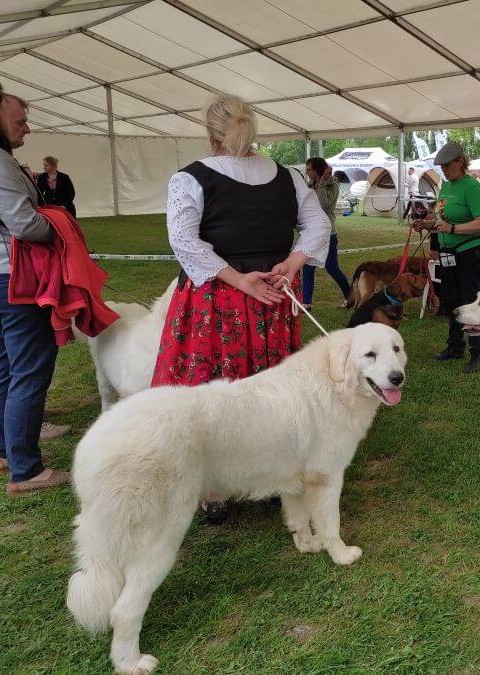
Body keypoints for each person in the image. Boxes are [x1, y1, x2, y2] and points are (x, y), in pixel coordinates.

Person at [152, 93, 330, 524]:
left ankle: (214, 490)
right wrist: (290, 265)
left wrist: (239, 278)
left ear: (210, 135)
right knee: (270, 391)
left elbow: (183, 239)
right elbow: (319, 223)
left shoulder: (190, 177)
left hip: (221, 301)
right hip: (269, 295)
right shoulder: (288, 176)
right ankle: (270, 475)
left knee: (215, 391)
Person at [0, 74, 70, 495]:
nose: (24, 125)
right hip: (11, 277)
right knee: (28, 369)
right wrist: (58, 226)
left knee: (2, 365)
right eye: (12, 113)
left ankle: (3, 450)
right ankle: (26, 469)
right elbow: (25, 223)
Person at [420, 141, 480, 373]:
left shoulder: (472, 187)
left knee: (470, 300)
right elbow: (443, 219)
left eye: (448, 165)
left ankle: (479, 352)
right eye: (441, 166)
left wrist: (453, 230)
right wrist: (428, 224)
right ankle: (455, 346)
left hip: (469, 251)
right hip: (448, 253)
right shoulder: (446, 187)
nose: (444, 170)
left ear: (461, 162)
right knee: (451, 299)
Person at [301, 157, 350, 309]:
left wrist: (322, 182)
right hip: (311, 232)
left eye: (308, 169)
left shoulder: (332, 184)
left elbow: (326, 206)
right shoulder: (309, 185)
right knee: (307, 267)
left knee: (332, 268)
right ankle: (306, 303)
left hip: (328, 233)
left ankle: (350, 296)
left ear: (316, 170)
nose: (306, 172)